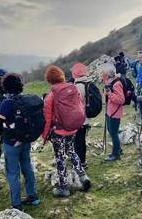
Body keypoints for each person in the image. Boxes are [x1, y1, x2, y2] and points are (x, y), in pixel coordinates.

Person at [42, 66, 91, 197]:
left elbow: (47, 119)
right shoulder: (72, 89)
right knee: (71, 151)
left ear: (49, 80)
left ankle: (63, 187)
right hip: (72, 128)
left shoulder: (51, 96)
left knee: (60, 157)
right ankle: (83, 177)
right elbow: (79, 107)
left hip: (58, 131)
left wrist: (45, 135)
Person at [0, 73, 39, 211]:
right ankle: (32, 196)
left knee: (13, 172)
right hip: (25, 139)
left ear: (5, 87)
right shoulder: (24, 100)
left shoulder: (7, 103)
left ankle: (16, 204)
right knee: (27, 166)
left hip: (11, 142)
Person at [102, 63, 125, 162]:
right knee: (111, 132)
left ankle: (116, 154)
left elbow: (121, 100)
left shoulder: (116, 84)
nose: (101, 74)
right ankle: (118, 149)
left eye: (103, 73)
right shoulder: (109, 82)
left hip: (114, 113)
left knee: (113, 133)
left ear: (107, 74)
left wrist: (109, 94)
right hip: (109, 111)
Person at [71, 62, 90, 169]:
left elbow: (74, 103)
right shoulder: (87, 83)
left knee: (78, 141)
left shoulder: (78, 86)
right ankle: (83, 161)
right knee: (82, 140)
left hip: (79, 119)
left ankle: (79, 163)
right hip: (86, 118)